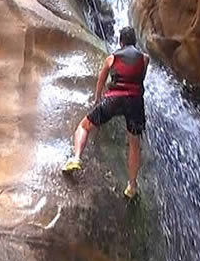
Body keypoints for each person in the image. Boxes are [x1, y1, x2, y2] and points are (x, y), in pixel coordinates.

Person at [62, 26, 149, 199]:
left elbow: (101, 81)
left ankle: (76, 158)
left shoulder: (112, 58)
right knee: (134, 143)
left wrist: (97, 99)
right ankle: (132, 186)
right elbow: (140, 78)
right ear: (134, 41)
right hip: (135, 102)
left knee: (84, 126)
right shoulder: (145, 58)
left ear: (120, 42)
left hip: (114, 99)